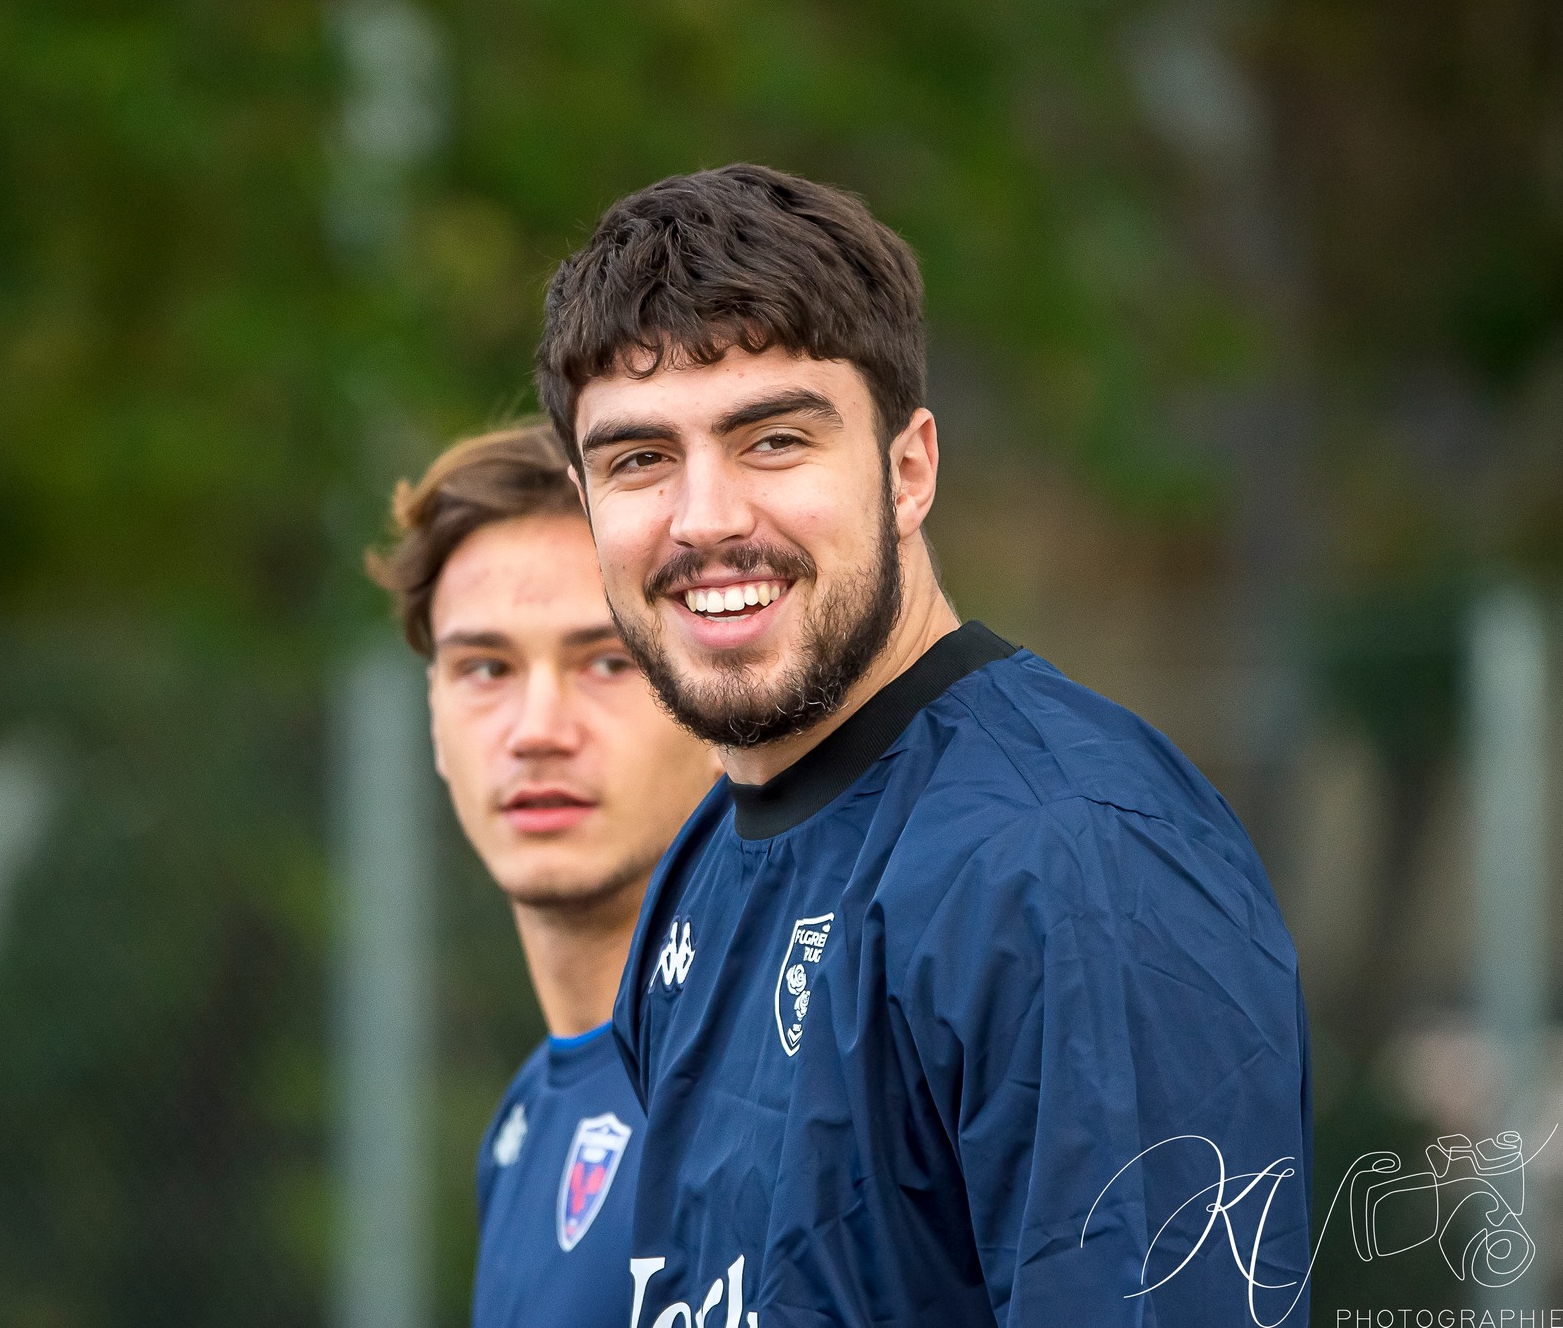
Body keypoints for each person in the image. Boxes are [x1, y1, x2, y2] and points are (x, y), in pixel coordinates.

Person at [537, 165, 1314, 1327]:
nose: (703, 520)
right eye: (640, 460)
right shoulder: (702, 869)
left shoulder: (1067, 861)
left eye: (772, 440)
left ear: (907, 471)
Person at [367, 424, 721, 1328]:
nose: (537, 728)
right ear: (435, 718)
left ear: (715, 694)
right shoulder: (519, 1128)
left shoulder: (794, 1078)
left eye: (605, 661)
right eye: (484, 667)